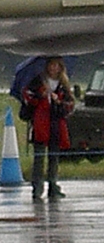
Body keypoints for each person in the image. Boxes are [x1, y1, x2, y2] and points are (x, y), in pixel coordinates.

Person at [22, 56, 74, 200]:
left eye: (57, 66)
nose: (54, 68)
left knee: (54, 158)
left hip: (57, 124)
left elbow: (70, 104)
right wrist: (40, 95)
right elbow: (27, 97)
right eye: (52, 65)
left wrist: (60, 101)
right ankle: (37, 188)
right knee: (39, 158)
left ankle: (53, 185)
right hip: (41, 123)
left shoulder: (64, 84)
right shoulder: (38, 81)